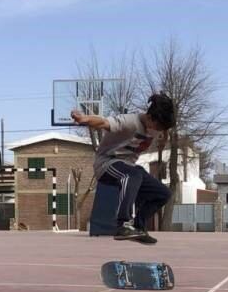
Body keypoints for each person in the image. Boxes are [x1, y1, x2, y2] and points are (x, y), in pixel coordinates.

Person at [71, 93, 176, 245]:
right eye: (158, 127)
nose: (158, 130)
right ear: (150, 117)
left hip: (129, 166)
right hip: (107, 164)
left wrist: (165, 135)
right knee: (132, 175)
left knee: (163, 193)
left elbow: (164, 129)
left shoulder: (157, 126)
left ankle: (138, 227)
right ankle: (123, 224)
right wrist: (84, 119)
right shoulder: (129, 122)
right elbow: (104, 122)